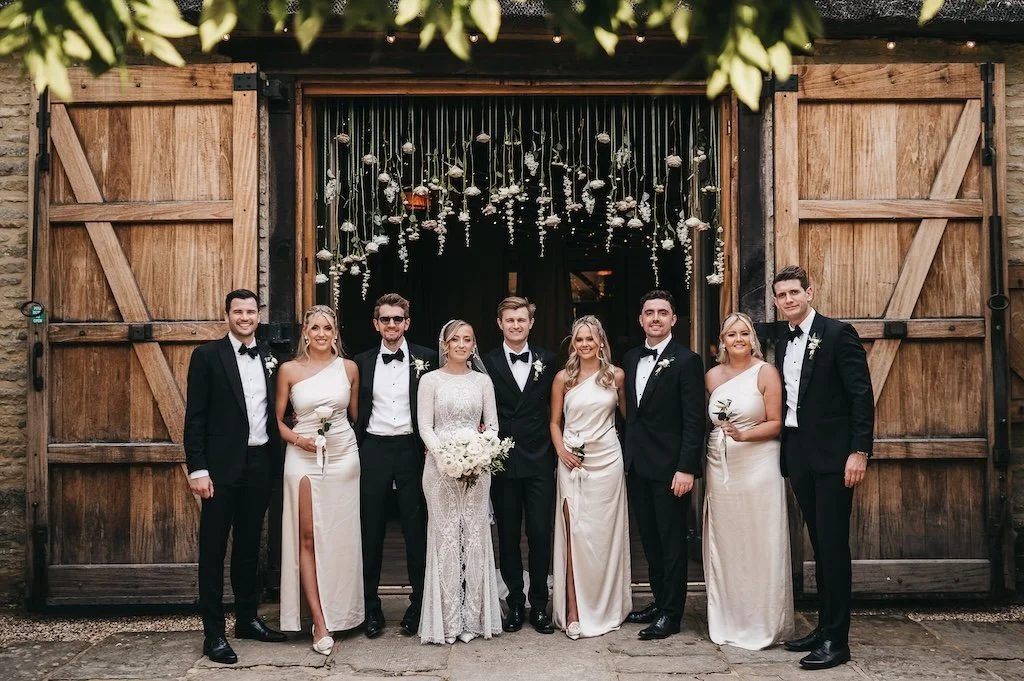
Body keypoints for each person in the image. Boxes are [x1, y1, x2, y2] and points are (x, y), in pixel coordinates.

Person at [772, 265, 873, 671]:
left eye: (795, 292)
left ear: (810, 293)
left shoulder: (837, 333)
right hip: (799, 454)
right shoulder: (782, 341)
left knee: (833, 547)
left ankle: (837, 640)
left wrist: (859, 451)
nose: (788, 300)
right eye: (781, 295)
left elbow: (860, 396)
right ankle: (822, 628)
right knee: (818, 542)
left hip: (835, 458)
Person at [184, 289, 287, 665]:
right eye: (238, 311)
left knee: (248, 548)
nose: (245, 317)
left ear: (259, 315)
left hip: (261, 463)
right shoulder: (207, 356)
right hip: (220, 468)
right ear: (226, 314)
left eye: (250, 311)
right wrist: (198, 468)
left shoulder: (274, 357)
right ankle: (213, 635)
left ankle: (247, 619)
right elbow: (194, 418)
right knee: (213, 551)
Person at [275, 305, 364, 655]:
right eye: (315, 327)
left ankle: (345, 612)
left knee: (340, 537)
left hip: (343, 457)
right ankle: (320, 622)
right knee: (308, 536)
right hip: (302, 455)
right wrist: (301, 440)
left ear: (336, 332)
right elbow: (279, 421)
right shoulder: (289, 370)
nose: (322, 333)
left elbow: (355, 415)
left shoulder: (350, 369)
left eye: (328, 327)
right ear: (305, 333)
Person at [703, 312, 793, 650]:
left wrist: (745, 435)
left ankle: (763, 621)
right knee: (728, 541)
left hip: (758, 465)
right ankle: (729, 617)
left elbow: (775, 423)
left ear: (752, 337)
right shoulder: (712, 376)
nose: (738, 339)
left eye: (744, 333)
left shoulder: (766, 372)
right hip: (721, 466)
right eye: (731, 334)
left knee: (760, 539)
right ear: (722, 340)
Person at [622, 290, 705, 640]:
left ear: (673, 319)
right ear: (641, 319)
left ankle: (672, 613)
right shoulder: (629, 358)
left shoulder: (687, 361)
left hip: (672, 469)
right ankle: (658, 601)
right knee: (650, 541)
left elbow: (694, 420)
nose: (655, 318)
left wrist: (686, 468)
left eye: (662, 312)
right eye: (649, 312)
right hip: (638, 466)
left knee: (672, 543)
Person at [353, 293, 438, 638]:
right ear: (376, 324)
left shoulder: (427, 359)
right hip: (373, 448)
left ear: (407, 323)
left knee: (415, 531)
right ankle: (370, 610)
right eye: (385, 319)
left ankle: (418, 607)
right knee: (370, 530)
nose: (391, 324)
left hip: (411, 449)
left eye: (397, 319)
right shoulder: (360, 361)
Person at [417, 320, 503, 644]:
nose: (462, 344)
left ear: (474, 345)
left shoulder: (483, 382)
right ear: (445, 344)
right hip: (440, 469)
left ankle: (474, 620)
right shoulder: (430, 381)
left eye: (468, 339)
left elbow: (492, 425)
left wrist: (479, 455)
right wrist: (447, 458)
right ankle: (447, 623)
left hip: (478, 469)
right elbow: (425, 426)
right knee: (446, 540)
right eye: (456, 339)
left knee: (476, 538)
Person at [549, 315, 632, 640]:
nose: (584, 344)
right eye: (579, 339)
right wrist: (562, 452)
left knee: (602, 538)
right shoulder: (563, 379)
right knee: (575, 535)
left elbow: (629, 419)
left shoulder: (617, 377)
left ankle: (607, 605)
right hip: (572, 462)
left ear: (601, 341)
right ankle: (573, 610)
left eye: (590, 338)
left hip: (607, 461)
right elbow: (555, 422)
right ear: (573, 343)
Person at [482, 297, 558, 635]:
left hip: (540, 458)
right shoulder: (485, 361)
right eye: (509, 320)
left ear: (530, 323)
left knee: (540, 533)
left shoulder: (549, 360)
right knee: (509, 535)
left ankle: (539, 604)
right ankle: (515, 602)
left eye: (521, 320)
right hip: (503, 461)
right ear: (500, 323)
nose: (515, 325)